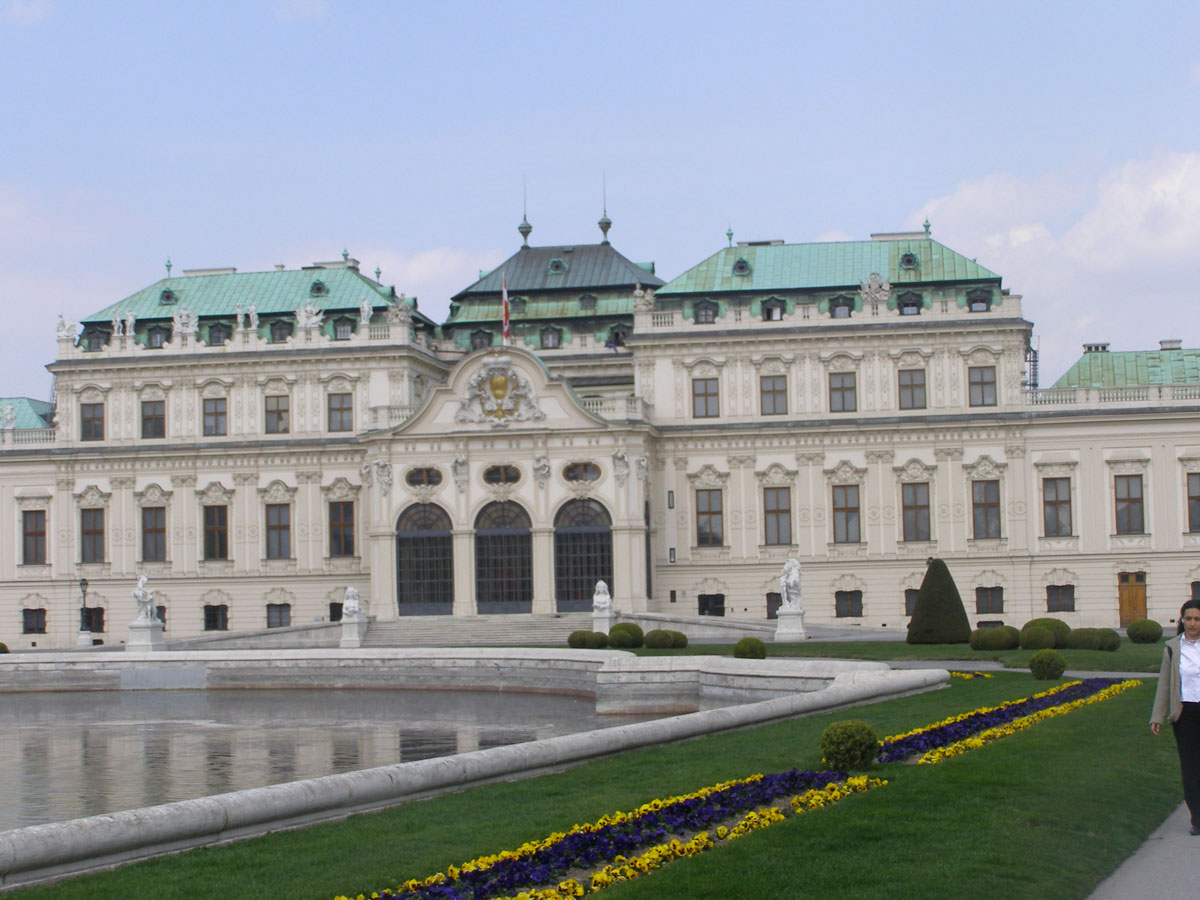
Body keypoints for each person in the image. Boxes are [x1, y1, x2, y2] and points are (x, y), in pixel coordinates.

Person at [1150, 598, 1200, 835]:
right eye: (1188, 619)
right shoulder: (1172, 648)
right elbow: (1164, 684)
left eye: (1197, 619)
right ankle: (1197, 818)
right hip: (1184, 714)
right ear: (1182, 620)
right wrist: (1157, 716)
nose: (1192, 623)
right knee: (1190, 768)